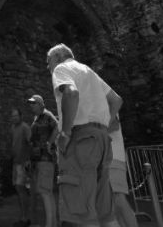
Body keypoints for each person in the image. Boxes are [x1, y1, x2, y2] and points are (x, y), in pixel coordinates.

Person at [47, 43, 122, 227]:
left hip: (80, 140)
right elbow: (117, 100)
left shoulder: (61, 68)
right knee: (104, 210)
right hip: (102, 139)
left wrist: (65, 132)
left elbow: (71, 93)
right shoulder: (89, 71)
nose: (48, 67)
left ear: (58, 57)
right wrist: (104, 123)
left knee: (80, 211)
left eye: (48, 62)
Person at [27, 94, 58, 227]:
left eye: (34, 103)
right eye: (30, 103)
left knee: (45, 193)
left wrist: (50, 143)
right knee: (47, 193)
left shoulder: (47, 115)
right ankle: (53, 224)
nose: (31, 105)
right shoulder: (37, 118)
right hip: (38, 160)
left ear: (41, 104)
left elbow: (58, 126)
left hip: (45, 159)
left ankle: (49, 224)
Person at [108, 120, 138, 227]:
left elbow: (114, 124)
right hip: (107, 158)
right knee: (113, 205)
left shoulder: (105, 102)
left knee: (118, 199)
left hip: (112, 158)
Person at [10, 108, 31, 227]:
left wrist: (28, 160)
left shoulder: (25, 127)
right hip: (15, 163)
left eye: (16, 116)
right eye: (12, 116)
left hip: (23, 163)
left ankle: (25, 218)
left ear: (21, 116)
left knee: (21, 189)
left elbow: (31, 143)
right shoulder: (12, 128)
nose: (14, 118)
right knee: (19, 190)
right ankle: (22, 217)